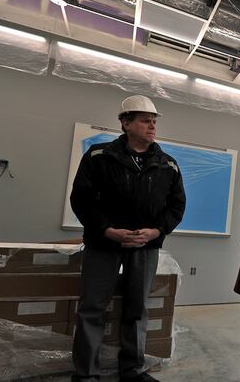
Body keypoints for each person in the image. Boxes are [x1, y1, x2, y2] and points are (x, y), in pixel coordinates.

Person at [70, 95, 186, 382]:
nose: (152, 126)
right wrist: (107, 230)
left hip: (145, 246)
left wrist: (157, 231)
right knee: (92, 308)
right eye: (145, 120)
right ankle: (86, 374)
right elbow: (82, 200)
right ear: (125, 123)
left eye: (154, 121)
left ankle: (132, 371)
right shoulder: (99, 157)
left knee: (137, 309)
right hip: (104, 243)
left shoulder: (167, 164)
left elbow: (176, 206)